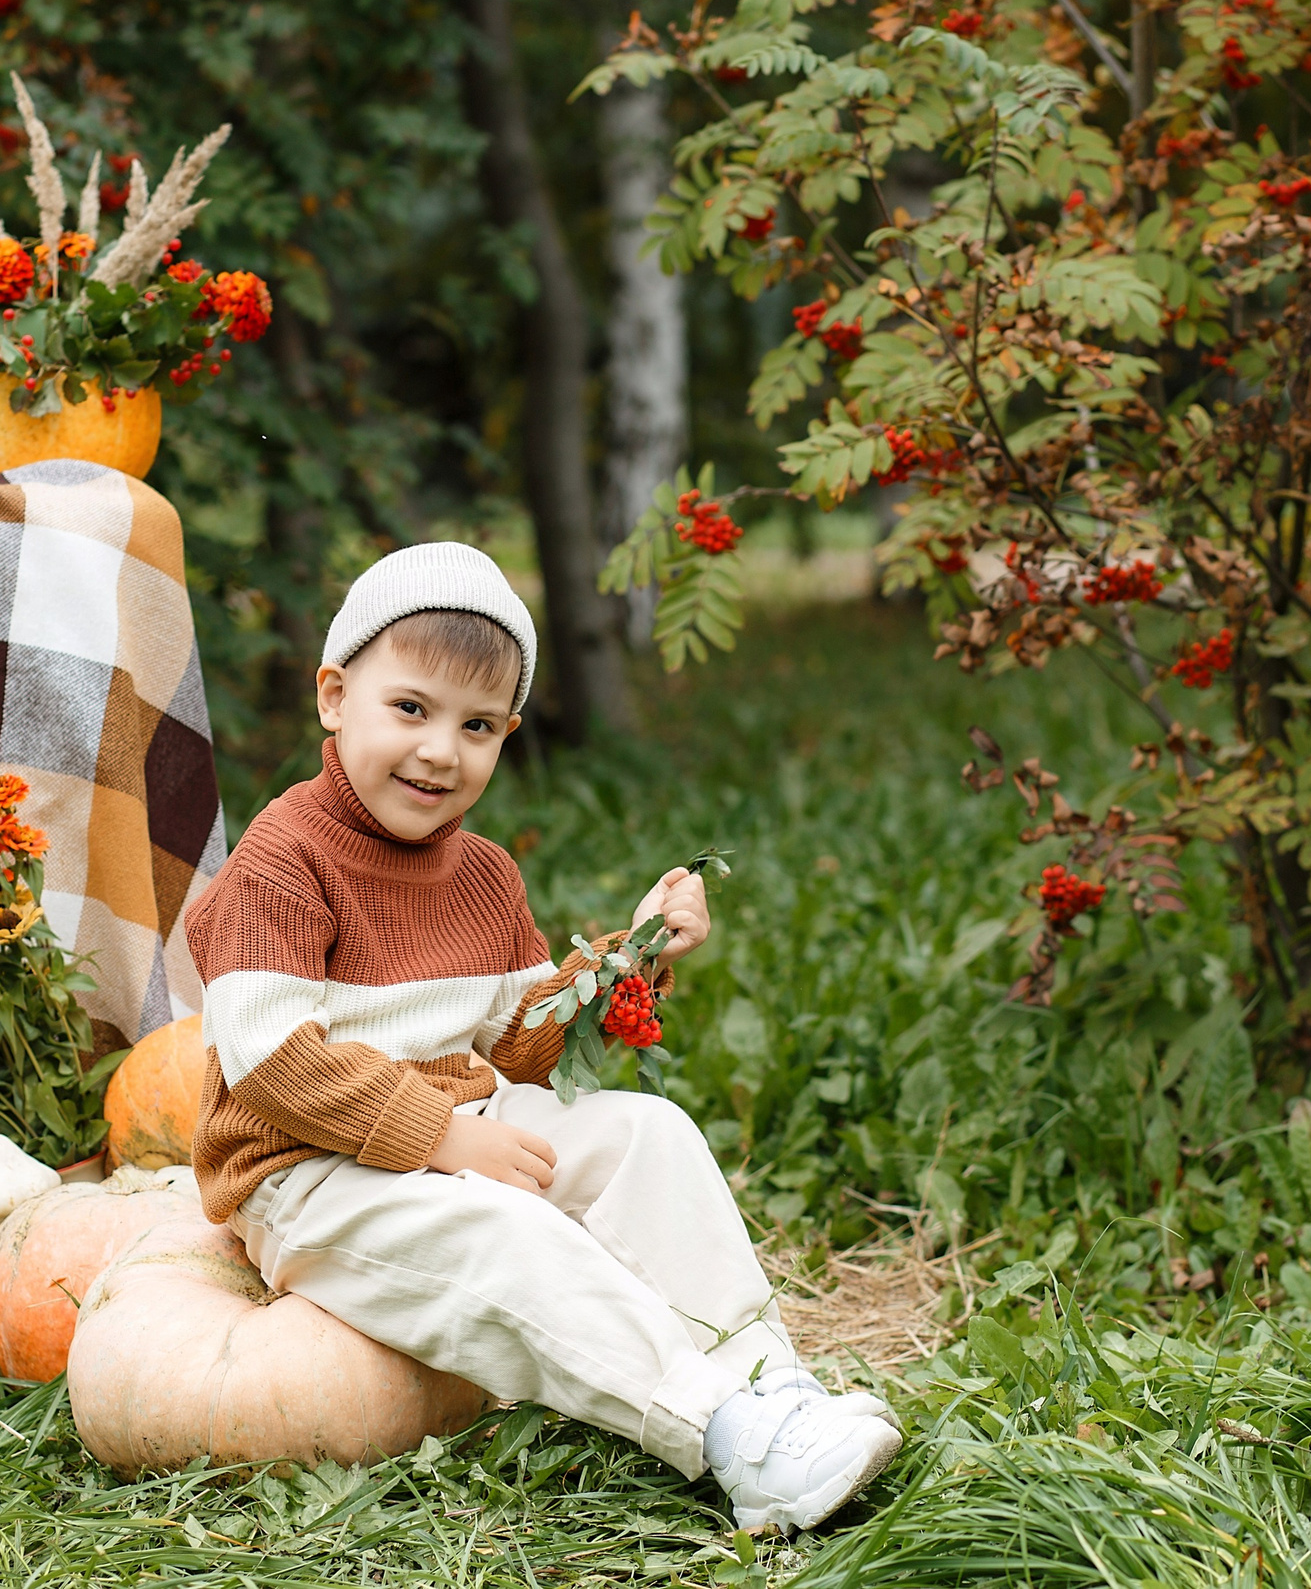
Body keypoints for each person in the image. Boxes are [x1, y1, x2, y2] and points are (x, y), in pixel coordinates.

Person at [183, 541, 902, 1532]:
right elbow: (270, 1063)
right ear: (334, 696)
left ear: (507, 734)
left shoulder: (480, 875)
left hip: (456, 1126)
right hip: (307, 1173)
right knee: (505, 1230)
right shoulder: (282, 858)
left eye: (477, 726)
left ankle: (771, 1388)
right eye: (411, 709)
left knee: (645, 1134)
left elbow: (524, 1042)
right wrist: (440, 1140)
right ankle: (726, 1434)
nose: (442, 750)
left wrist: (630, 956)